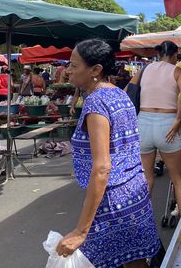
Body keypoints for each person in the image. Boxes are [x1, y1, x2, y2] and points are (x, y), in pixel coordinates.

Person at [57, 38, 160, 268]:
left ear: (95, 70)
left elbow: (102, 168)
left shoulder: (96, 104)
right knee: (134, 261)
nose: (68, 71)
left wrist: (81, 231)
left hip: (113, 203)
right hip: (134, 193)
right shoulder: (119, 94)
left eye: (74, 65)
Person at [128, 40, 181, 211]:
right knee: (178, 179)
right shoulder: (179, 72)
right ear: (175, 54)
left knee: (147, 178)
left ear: (158, 54)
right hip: (167, 123)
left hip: (143, 123)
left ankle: (140, 222)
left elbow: (128, 90)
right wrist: (179, 119)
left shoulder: (144, 69)